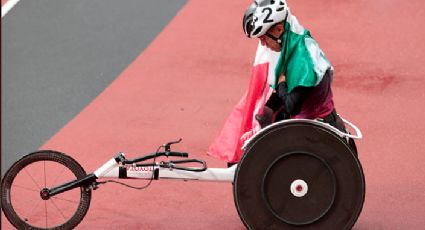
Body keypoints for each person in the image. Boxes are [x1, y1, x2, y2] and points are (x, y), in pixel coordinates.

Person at [242, 0, 347, 132]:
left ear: (279, 29)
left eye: (263, 38)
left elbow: (292, 106)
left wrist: (281, 84)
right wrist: (268, 109)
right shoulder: (290, 45)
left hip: (316, 133)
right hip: (308, 124)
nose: (263, 45)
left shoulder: (303, 58)